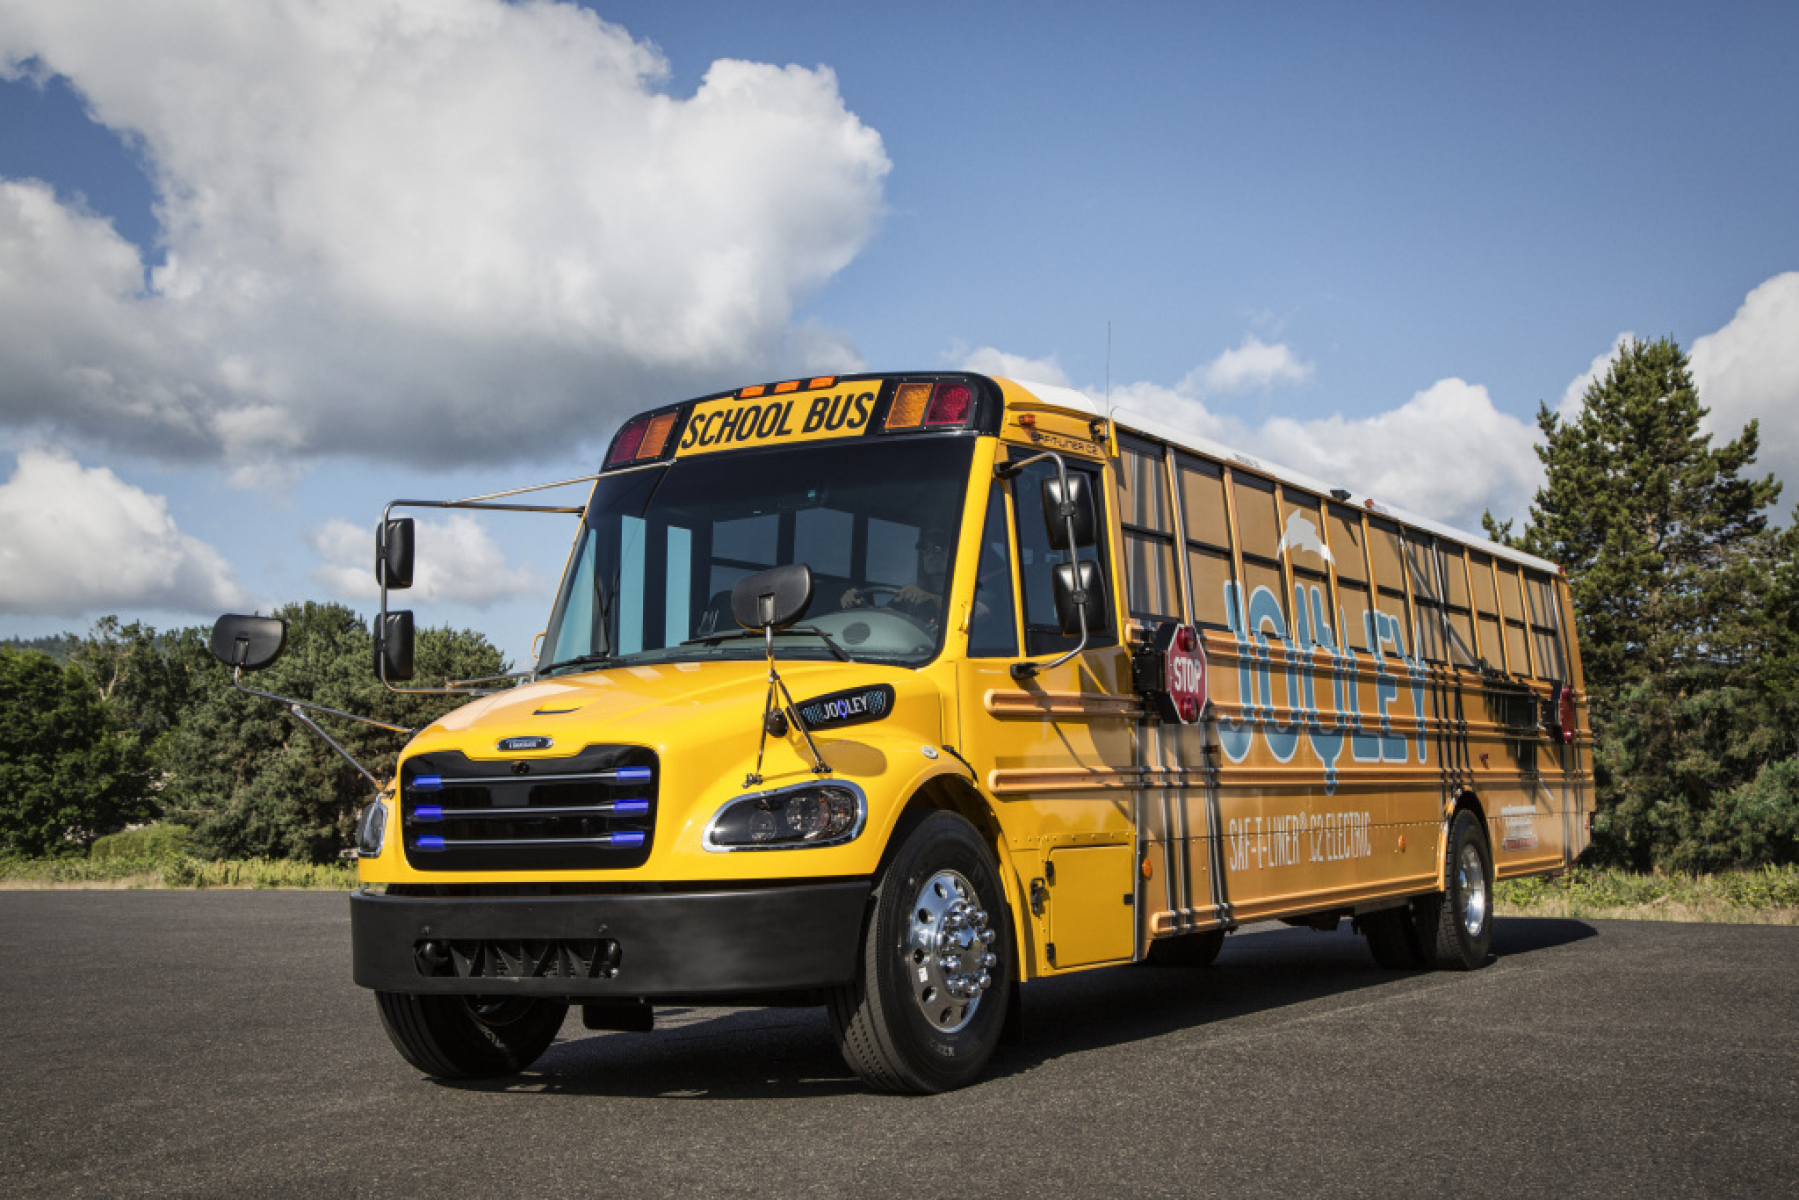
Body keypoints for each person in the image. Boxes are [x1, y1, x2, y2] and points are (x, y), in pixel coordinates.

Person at [841, 529, 949, 622]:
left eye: (937, 548)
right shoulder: (912, 596)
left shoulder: (962, 593)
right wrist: (863, 607)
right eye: (925, 549)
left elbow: (961, 612)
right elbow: (885, 618)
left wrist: (931, 599)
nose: (930, 556)